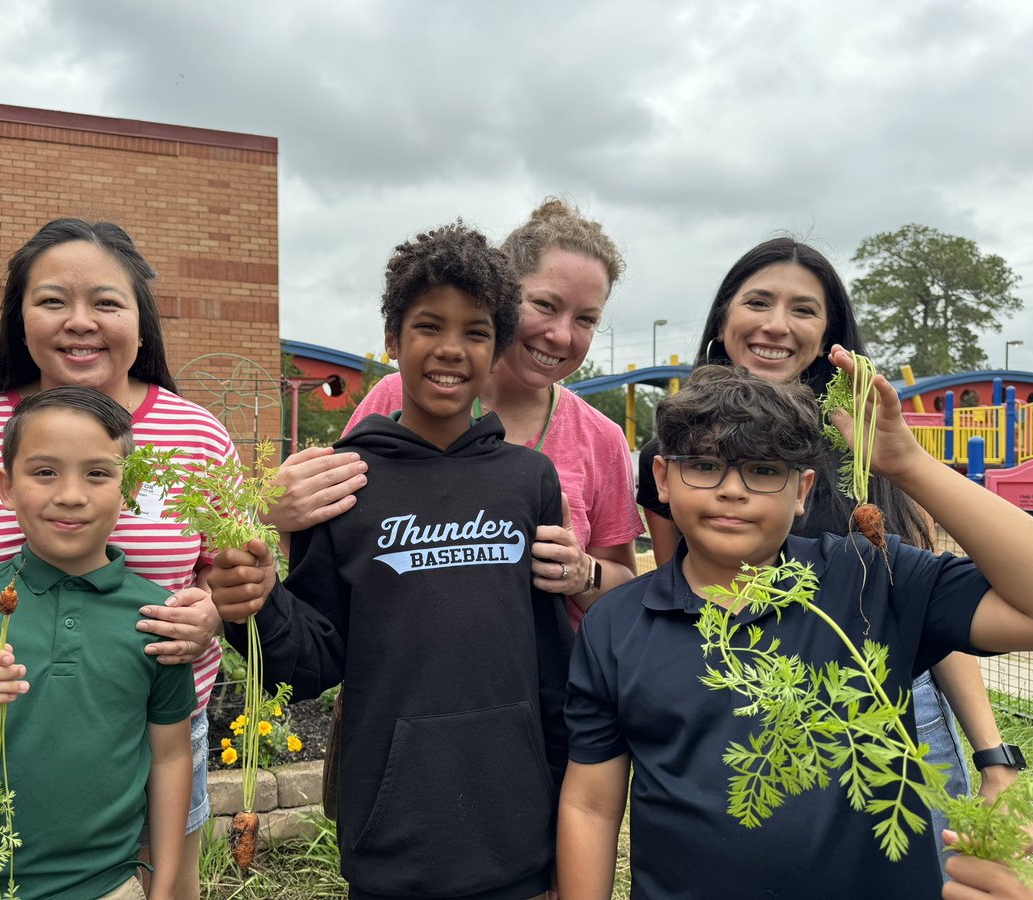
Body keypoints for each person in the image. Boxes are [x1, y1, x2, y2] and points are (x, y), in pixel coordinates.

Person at [557, 360, 1033, 899]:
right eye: (706, 466)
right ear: (663, 479)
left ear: (803, 490)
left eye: (763, 470)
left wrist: (908, 465)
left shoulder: (871, 576)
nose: (732, 490)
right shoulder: (615, 623)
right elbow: (591, 805)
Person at [634, 238, 1016, 874]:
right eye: (758, 301)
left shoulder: (864, 439)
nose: (777, 325)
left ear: (829, 334)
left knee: (919, 870)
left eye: (804, 310)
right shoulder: (671, 449)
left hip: (887, 698)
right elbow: (677, 599)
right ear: (724, 318)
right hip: (750, 697)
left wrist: (992, 753)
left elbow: (930, 603)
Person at [0, 218, 231, 899]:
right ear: (20, 317)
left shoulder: (196, 432)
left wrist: (212, 610)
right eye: (51, 301)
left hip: (156, 730)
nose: (80, 322)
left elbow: (231, 567)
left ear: (139, 319)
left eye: (105, 301)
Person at [219, 222, 572, 900]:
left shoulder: (529, 481)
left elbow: (552, 664)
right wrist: (256, 604)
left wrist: (562, 814)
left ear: (497, 349)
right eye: (427, 326)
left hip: (516, 830)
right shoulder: (346, 482)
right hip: (394, 837)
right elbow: (317, 658)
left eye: (474, 331)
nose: (450, 349)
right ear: (391, 341)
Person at [260, 198, 642, 622]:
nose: (560, 335)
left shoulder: (602, 437)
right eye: (545, 305)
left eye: (586, 319)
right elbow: (334, 541)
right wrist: (271, 512)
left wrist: (584, 573)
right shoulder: (397, 397)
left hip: (547, 685)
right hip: (399, 674)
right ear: (499, 295)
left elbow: (625, 584)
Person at [0, 387, 195, 900]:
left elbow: (169, 758)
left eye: (97, 473)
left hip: (102, 887)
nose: (71, 494)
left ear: (131, 489)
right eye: (45, 472)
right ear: (5, 487)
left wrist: (163, 887)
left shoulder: (160, 616)